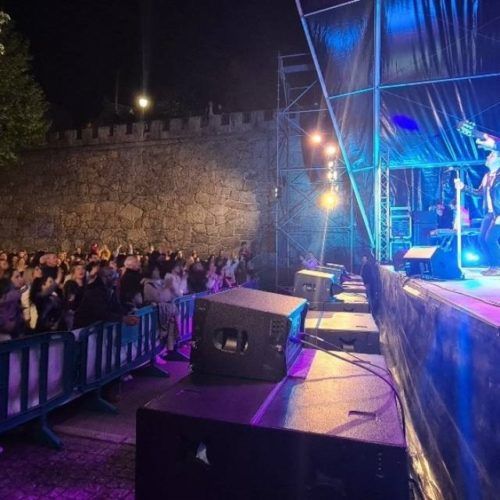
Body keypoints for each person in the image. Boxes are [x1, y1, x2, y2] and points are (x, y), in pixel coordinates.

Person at [456, 139, 500, 275]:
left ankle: (497, 267)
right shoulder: (487, 176)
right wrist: (463, 187)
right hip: (489, 213)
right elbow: (478, 192)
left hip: (498, 213)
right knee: (481, 239)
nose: (487, 157)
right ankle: (492, 266)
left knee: (490, 239)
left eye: (491, 155)